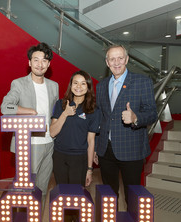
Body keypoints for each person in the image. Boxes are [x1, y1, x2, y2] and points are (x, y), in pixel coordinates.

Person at [95, 44, 157, 208]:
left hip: (131, 149)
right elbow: (100, 117)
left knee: (132, 197)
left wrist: (136, 117)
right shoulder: (101, 86)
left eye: (120, 58)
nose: (116, 63)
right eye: (112, 59)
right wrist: (95, 146)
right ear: (107, 62)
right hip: (105, 150)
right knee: (108, 196)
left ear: (127, 59)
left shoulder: (142, 82)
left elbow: (152, 113)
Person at [0, 42, 59, 205]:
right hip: (29, 145)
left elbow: (55, 113)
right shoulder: (19, 84)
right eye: (36, 60)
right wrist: (28, 110)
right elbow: (5, 107)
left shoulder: (54, 86)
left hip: (49, 144)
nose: (40, 64)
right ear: (29, 62)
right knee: (25, 192)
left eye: (44, 60)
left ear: (49, 63)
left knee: (42, 189)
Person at [50, 70, 100, 187]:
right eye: (75, 83)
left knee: (76, 198)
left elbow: (91, 140)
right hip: (59, 156)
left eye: (83, 83)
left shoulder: (94, 110)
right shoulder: (60, 104)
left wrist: (89, 169)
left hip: (79, 158)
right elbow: (52, 132)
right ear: (71, 85)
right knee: (61, 195)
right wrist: (65, 114)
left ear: (88, 87)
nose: (79, 86)